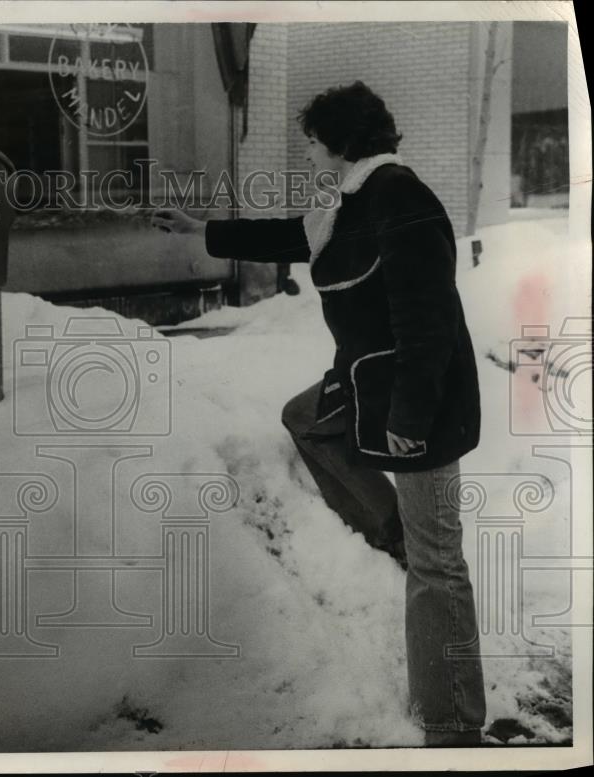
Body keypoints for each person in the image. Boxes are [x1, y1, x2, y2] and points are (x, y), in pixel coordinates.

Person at [151, 81, 486, 747]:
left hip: (419, 398)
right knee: (305, 417)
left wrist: (412, 416)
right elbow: (298, 238)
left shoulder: (399, 195)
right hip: (370, 382)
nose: (306, 156)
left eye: (311, 144)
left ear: (342, 142)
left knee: (439, 564)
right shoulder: (350, 202)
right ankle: (390, 526)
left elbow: (429, 319)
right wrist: (204, 231)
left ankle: (452, 723)